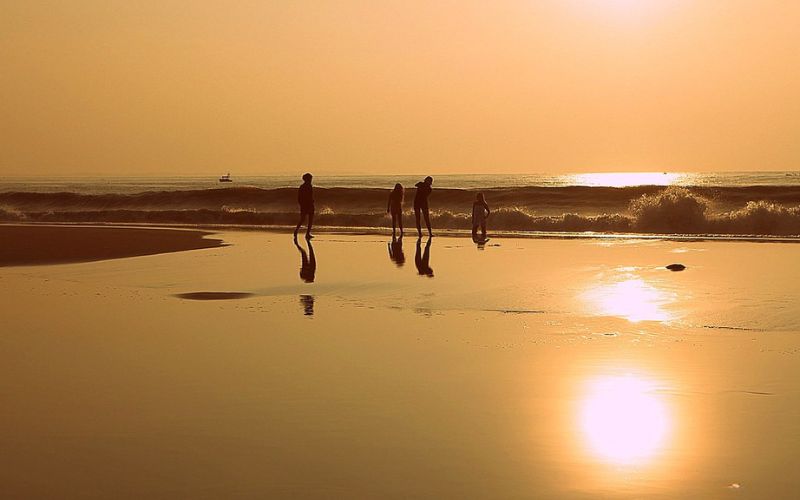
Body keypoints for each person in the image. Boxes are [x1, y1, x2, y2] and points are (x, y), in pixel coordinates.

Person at [294, 173, 314, 239]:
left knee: (308, 219)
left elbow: (300, 197)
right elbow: (300, 197)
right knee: (304, 219)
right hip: (306, 205)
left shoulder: (306, 186)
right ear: (306, 179)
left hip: (308, 204)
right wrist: (303, 204)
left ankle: (306, 233)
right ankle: (298, 231)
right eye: (310, 178)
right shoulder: (304, 186)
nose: (311, 180)